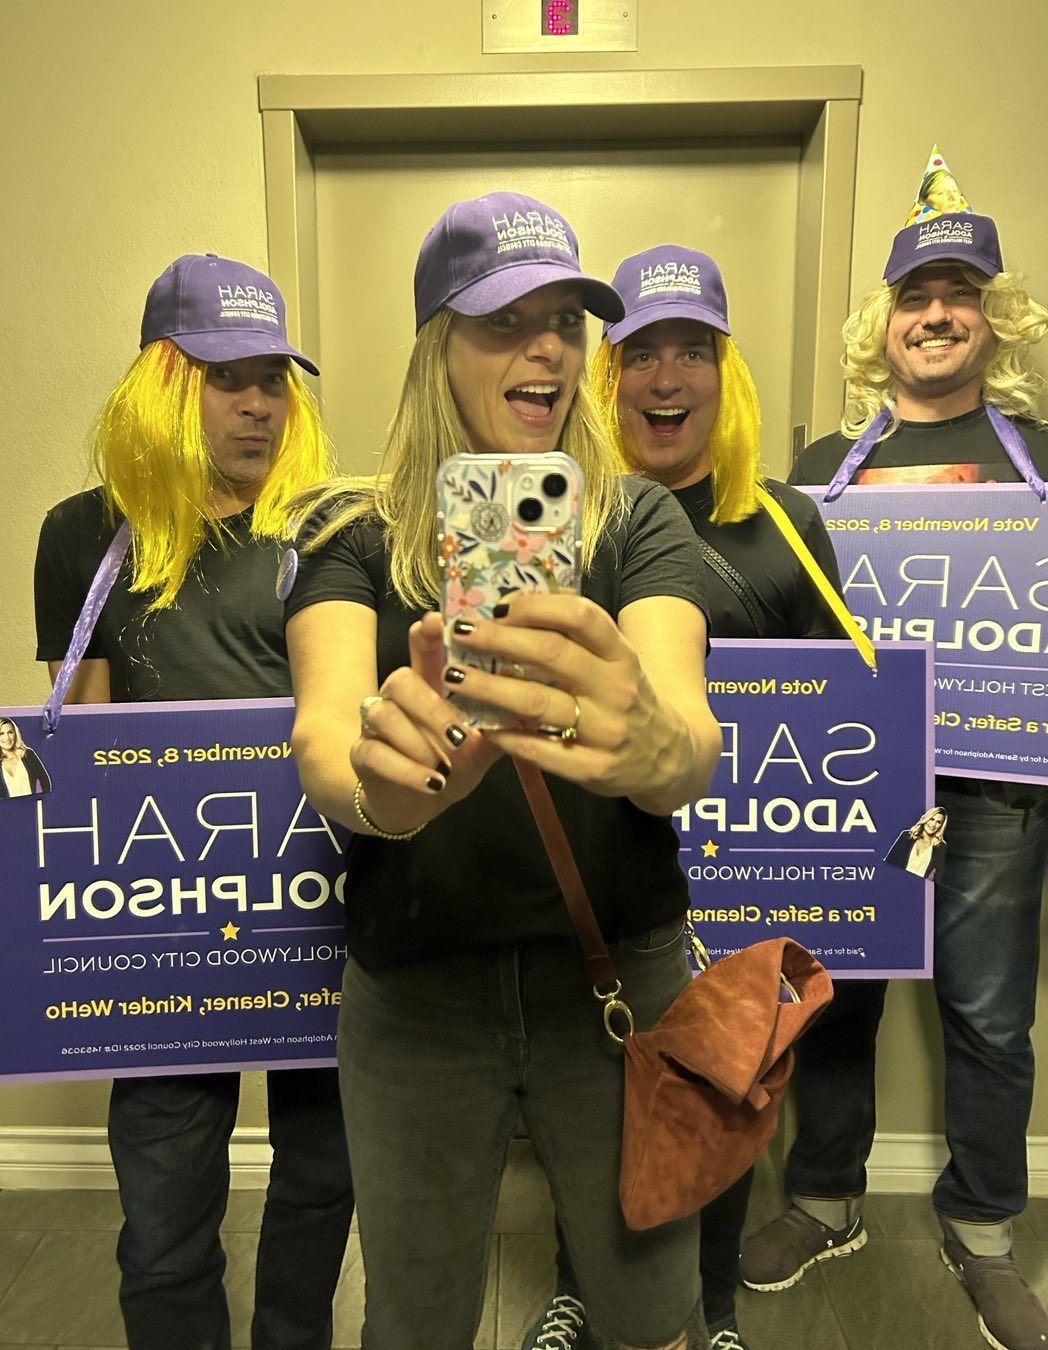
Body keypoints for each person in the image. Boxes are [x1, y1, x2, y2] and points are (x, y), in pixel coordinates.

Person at [284, 192, 723, 1350]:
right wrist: (386, 789)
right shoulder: (348, 535)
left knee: (649, 1310)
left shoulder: (635, 523)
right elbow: (324, 740)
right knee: (415, 1318)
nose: (549, 351)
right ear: (439, 345)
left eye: (567, 323)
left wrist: (658, 751)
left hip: (613, 980)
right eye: (505, 321)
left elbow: (688, 726)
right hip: (415, 997)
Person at [740, 175, 1048, 1350]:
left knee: (991, 1019)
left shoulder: (1042, 464)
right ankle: (825, 1201)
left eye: (958, 294)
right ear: (885, 323)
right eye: (915, 296)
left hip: (997, 788)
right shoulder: (825, 467)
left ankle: (982, 1228)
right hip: (854, 785)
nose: (936, 315)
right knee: (832, 1001)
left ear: (992, 318)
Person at [521, 244, 848, 1350]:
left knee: (724, 1094)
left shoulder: (789, 523)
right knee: (600, 1098)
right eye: (639, 354)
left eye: (692, 352)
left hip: (751, 879)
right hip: (610, 888)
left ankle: (711, 1310)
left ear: (725, 372)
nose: (666, 378)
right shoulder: (561, 520)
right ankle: (580, 1285)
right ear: (606, 377)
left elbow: (838, 712)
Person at [33, 253, 353, 1350]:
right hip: (161, 930)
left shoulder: (331, 530)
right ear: (165, 386)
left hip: (320, 914)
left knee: (325, 1180)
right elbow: (80, 751)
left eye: (273, 378)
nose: (258, 402)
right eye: (227, 377)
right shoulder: (84, 535)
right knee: (164, 1220)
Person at [0, 716, 51, 800]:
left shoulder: (28, 755)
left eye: (10, 732)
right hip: (5, 808)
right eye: (1, 733)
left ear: (15, 734)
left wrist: (41, 801)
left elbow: (46, 783)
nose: (7, 737)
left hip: (30, 806)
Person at [885, 806, 948, 880]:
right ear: (926, 819)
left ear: (941, 826)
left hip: (918, 886)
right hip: (896, 880)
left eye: (938, 822)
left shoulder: (940, 846)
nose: (933, 824)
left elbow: (939, 875)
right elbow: (888, 861)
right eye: (932, 819)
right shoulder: (906, 836)